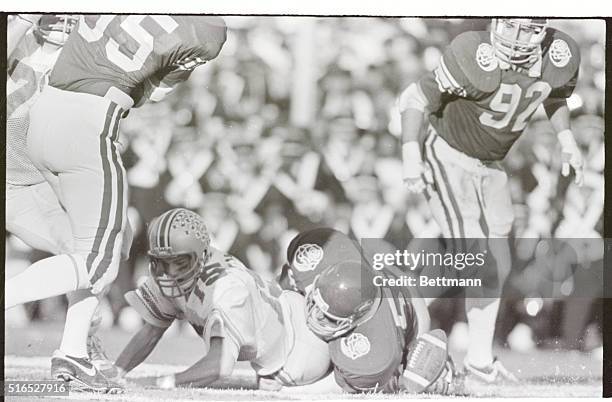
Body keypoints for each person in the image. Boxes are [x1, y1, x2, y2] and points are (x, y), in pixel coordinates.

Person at [5, 15, 227, 392]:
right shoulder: (22, 41)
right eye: (55, 17)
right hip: (20, 170)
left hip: (38, 171)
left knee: (109, 244)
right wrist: (22, 24)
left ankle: (75, 349)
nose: (63, 24)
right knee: (98, 257)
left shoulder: (83, 50)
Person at [398, 18, 582, 382]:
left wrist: (566, 139)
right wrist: (410, 155)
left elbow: (556, 95)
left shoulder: (559, 56)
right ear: (495, 21)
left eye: (528, 28)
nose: (516, 38)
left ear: (543, 31)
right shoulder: (473, 52)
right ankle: (397, 322)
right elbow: (414, 97)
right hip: (447, 153)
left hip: (492, 165)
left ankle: (480, 360)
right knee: (478, 260)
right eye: (509, 26)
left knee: (496, 262)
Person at [112, 208, 331, 390]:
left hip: (300, 349)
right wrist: (116, 372)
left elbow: (219, 366)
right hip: (283, 322)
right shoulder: (174, 272)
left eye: (179, 262)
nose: (168, 272)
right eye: (161, 261)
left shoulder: (226, 289)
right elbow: (152, 330)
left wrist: (161, 383)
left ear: (203, 256)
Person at [278, 228, 456, 394]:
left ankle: (426, 369)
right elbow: (285, 281)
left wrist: (285, 390)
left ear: (356, 320)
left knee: (391, 383)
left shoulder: (376, 354)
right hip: (393, 278)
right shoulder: (326, 254)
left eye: (329, 318)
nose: (316, 315)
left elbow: (339, 384)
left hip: (413, 315)